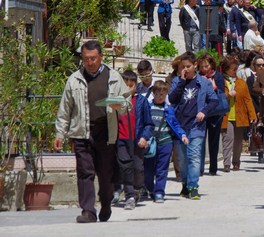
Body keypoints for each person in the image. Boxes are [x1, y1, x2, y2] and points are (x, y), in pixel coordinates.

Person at [54, 40, 130, 223]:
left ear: (101, 57)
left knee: (105, 174)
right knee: (85, 172)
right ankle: (88, 211)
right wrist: (59, 134)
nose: (90, 62)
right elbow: (65, 109)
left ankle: (105, 204)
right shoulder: (74, 79)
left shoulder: (113, 77)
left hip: (106, 132)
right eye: (86, 59)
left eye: (93, 58)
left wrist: (121, 105)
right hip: (81, 133)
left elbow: (127, 104)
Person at [168, 52, 219, 200]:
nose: (186, 69)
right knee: (182, 159)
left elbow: (214, 100)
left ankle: (194, 186)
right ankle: (185, 183)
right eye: (183, 67)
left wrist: (204, 111)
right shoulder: (177, 82)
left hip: (196, 126)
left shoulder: (204, 83)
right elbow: (172, 99)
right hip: (180, 126)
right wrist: (182, 81)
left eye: (188, 66)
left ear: (195, 65)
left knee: (194, 157)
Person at [113, 70, 154, 210]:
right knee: (125, 167)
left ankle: (137, 189)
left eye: (130, 85)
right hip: (122, 140)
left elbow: (149, 123)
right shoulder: (116, 102)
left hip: (137, 141)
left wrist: (144, 137)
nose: (128, 88)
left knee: (138, 168)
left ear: (136, 85)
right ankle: (129, 195)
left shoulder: (142, 102)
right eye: (125, 85)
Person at [144, 81, 188, 203]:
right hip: (150, 143)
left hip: (166, 142)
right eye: (158, 93)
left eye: (163, 94)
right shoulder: (147, 107)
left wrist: (182, 135)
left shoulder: (169, 109)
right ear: (153, 93)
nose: (161, 96)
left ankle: (159, 192)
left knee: (162, 169)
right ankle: (150, 189)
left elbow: (175, 124)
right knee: (148, 170)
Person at [220, 56, 257, 172]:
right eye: (232, 69)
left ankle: (236, 162)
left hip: (240, 115)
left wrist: (252, 115)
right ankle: (226, 163)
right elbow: (217, 98)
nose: (234, 71)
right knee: (228, 139)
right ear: (225, 69)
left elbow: (248, 100)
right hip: (226, 116)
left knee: (238, 141)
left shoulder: (241, 83)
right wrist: (228, 95)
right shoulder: (220, 82)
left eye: (235, 68)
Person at [197, 54, 226, 176]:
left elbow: (222, 92)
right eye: (202, 66)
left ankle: (213, 168)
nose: (205, 69)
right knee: (200, 141)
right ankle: (200, 168)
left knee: (214, 141)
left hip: (215, 113)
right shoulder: (198, 77)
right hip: (202, 112)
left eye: (207, 66)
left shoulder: (218, 76)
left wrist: (214, 87)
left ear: (212, 65)